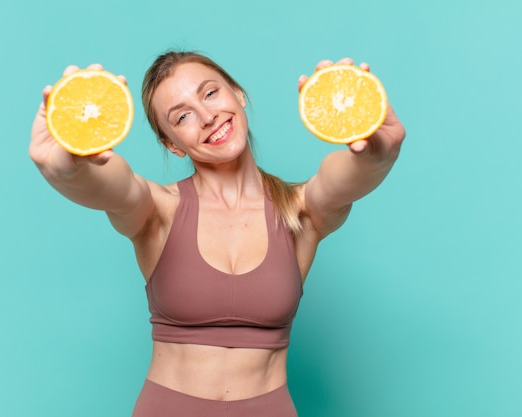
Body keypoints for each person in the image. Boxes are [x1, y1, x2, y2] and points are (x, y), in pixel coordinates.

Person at [29, 50, 405, 417]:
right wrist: (65, 167)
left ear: (237, 94)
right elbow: (114, 186)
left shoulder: (299, 212)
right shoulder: (158, 211)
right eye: (182, 116)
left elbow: (342, 181)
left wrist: (377, 153)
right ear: (172, 145)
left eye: (211, 93)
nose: (208, 116)